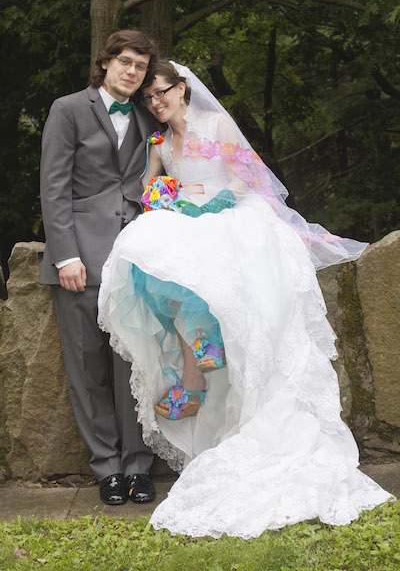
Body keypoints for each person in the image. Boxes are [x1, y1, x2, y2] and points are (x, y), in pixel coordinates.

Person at [97, 60, 392, 537]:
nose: (155, 102)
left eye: (161, 92)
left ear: (183, 89)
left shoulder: (217, 124)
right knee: (150, 248)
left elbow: (245, 176)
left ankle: (197, 369)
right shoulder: (158, 142)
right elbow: (150, 189)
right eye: (148, 98)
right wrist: (171, 196)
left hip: (231, 214)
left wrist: (213, 200)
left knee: (216, 268)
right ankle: (198, 351)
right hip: (187, 216)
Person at [39, 29, 159, 506]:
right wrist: (65, 254)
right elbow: (54, 186)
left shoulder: (151, 114)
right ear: (106, 63)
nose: (133, 71)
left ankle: (139, 466)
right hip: (81, 259)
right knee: (88, 369)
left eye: (142, 66)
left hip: (137, 256)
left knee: (136, 365)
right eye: (126, 62)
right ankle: (107, 467)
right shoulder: (67, 109)